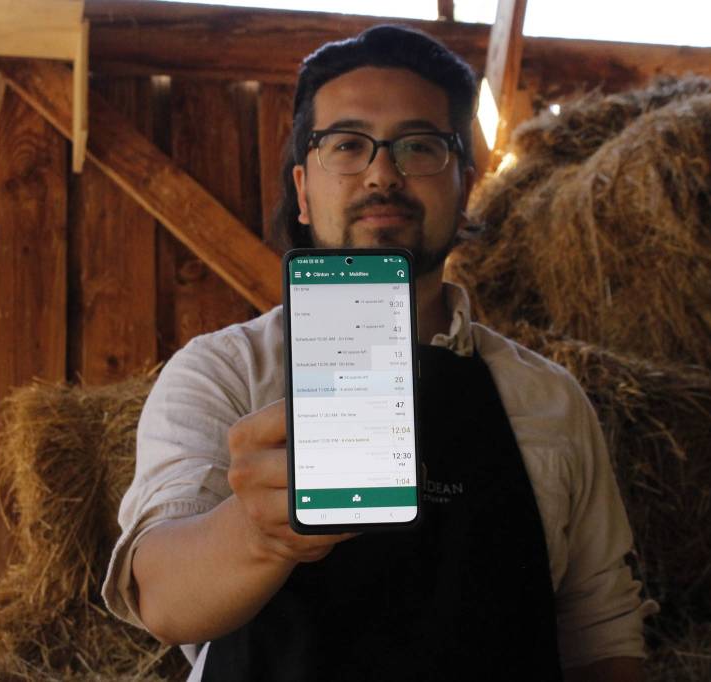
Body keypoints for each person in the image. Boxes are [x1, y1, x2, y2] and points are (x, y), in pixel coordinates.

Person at [102, 24, 655, 682]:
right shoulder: (223, 372)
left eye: (419, 146)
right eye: (347, 144)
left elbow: (601, 626)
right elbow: (161, 596)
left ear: (464, 186)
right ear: (303, 191)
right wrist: (258, 533)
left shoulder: (551, 399)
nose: (382, 173)